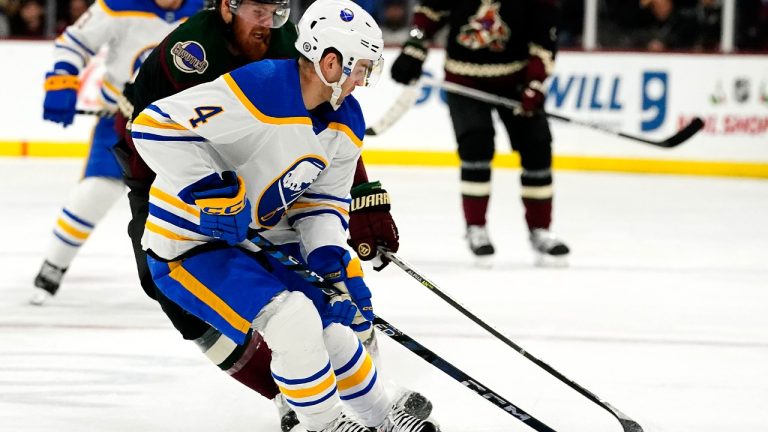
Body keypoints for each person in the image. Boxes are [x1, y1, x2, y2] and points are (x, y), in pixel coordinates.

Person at [130, 1, 440, 432]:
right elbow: (154, 124)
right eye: (360, 68)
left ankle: (383, 417)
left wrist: (330, 257)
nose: (363, 80)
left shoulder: (346, 120)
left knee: (333, 325)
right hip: (188, 246)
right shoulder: (260, 86)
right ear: (330, 61)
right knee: (293, 319)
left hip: (254, 241)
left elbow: (322, 203)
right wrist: (210, 187)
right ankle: (325, 425)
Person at [32, 0, 204, 305]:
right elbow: (75, 42)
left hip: (186, 129)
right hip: (120, 121)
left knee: (194, 206)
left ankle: (199, 281)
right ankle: (53, 265)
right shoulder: (117, 4)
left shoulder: (207, 12)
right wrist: (63, 78)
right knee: (94, 193)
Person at [390, 0, 570, 267]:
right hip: (465, 80)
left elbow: (544, 41)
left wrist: (535, 83)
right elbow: (430, 12)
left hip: (516, 81)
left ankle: (540, 230)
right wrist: (414, 49)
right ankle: (476, 227)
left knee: (537, 146)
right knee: (476, 143)